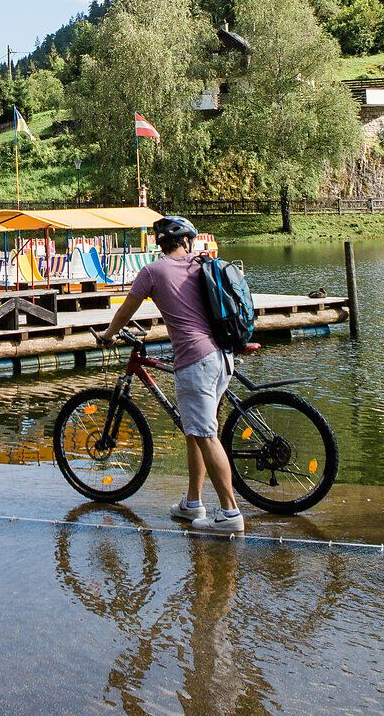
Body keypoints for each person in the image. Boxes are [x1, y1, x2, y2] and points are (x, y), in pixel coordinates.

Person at [96, 215, 244, 533]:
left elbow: (125, 310)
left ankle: (231, 514)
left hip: (195, 361)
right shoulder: (200, 264)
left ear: (159, 244)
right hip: (221, 357)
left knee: (205, 434)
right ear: (187, 241)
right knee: (195, 431)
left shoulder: (153, 271)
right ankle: (193, 503)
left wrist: (108, 335)